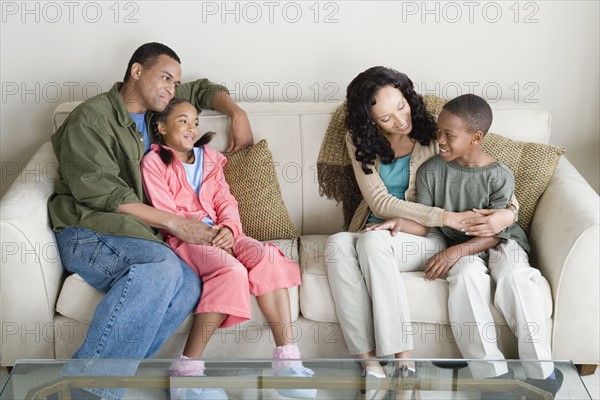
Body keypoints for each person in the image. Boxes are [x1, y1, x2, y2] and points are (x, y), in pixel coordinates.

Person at [48, 42, 254, 400]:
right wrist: (174, 222)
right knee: (161, 268)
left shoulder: (165, 104)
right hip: (86, 230)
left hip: (133, 233)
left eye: (175, 82)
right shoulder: (91, 120)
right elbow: (105, 197)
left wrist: (237, 113)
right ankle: (85, 390)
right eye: (165, 78)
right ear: (136, 71)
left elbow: (203, 89)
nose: (172, 88)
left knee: (188, 283)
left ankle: (101, 382)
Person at [324, 67, 518, 388]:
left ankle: (404, 361)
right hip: (375, 230)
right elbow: (379, 203)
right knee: (336, 244)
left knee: (373, 245)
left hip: (424, 236)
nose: (400, 120)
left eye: (401, 105)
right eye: (385, 117)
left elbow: (486, 173)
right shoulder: (358, 140)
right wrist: (446, 216)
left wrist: (510, 212)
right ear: (370, 121)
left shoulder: (436, 131)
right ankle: (370, 365)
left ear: (408, 96)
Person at [141, 98, 316, 400]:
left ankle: (287, 362)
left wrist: (229, 230)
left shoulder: (209, 158)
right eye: (183, 120)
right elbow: (166, 212)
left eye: (195, 122)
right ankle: (185, 376)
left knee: (267, 256)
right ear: (161, 126)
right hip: (187, 238)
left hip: (225, 233)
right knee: (231, 270)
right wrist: (203, 235)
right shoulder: (154, 163)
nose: (191, 128)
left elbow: (225, 201)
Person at [411, 93, 563, 398]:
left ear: (476, 138)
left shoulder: (499, 175)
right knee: (465, 277)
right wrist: (449, 248)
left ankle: (542, 372)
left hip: (500, 242)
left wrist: (457, 250)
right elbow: (427, 222)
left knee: (516, 279)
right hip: (457, 244)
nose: (439, 139)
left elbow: (499, 230)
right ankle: (491, 376)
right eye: (438, 131)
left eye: (448, 135)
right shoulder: (430, 171)